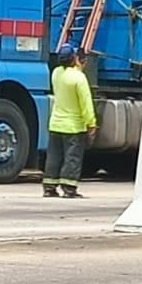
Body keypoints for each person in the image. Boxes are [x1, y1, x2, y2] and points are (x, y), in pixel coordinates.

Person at [45, 43, 97, 199]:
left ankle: (49, 187)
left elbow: (66, 76)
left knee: (54, 156)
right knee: (72, 157)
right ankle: (68, 187)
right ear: (74, 58)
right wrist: (91, 123)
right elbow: (85, 103)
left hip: (55, 123)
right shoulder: (79, 78)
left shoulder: (56, 73)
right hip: (73, 126)